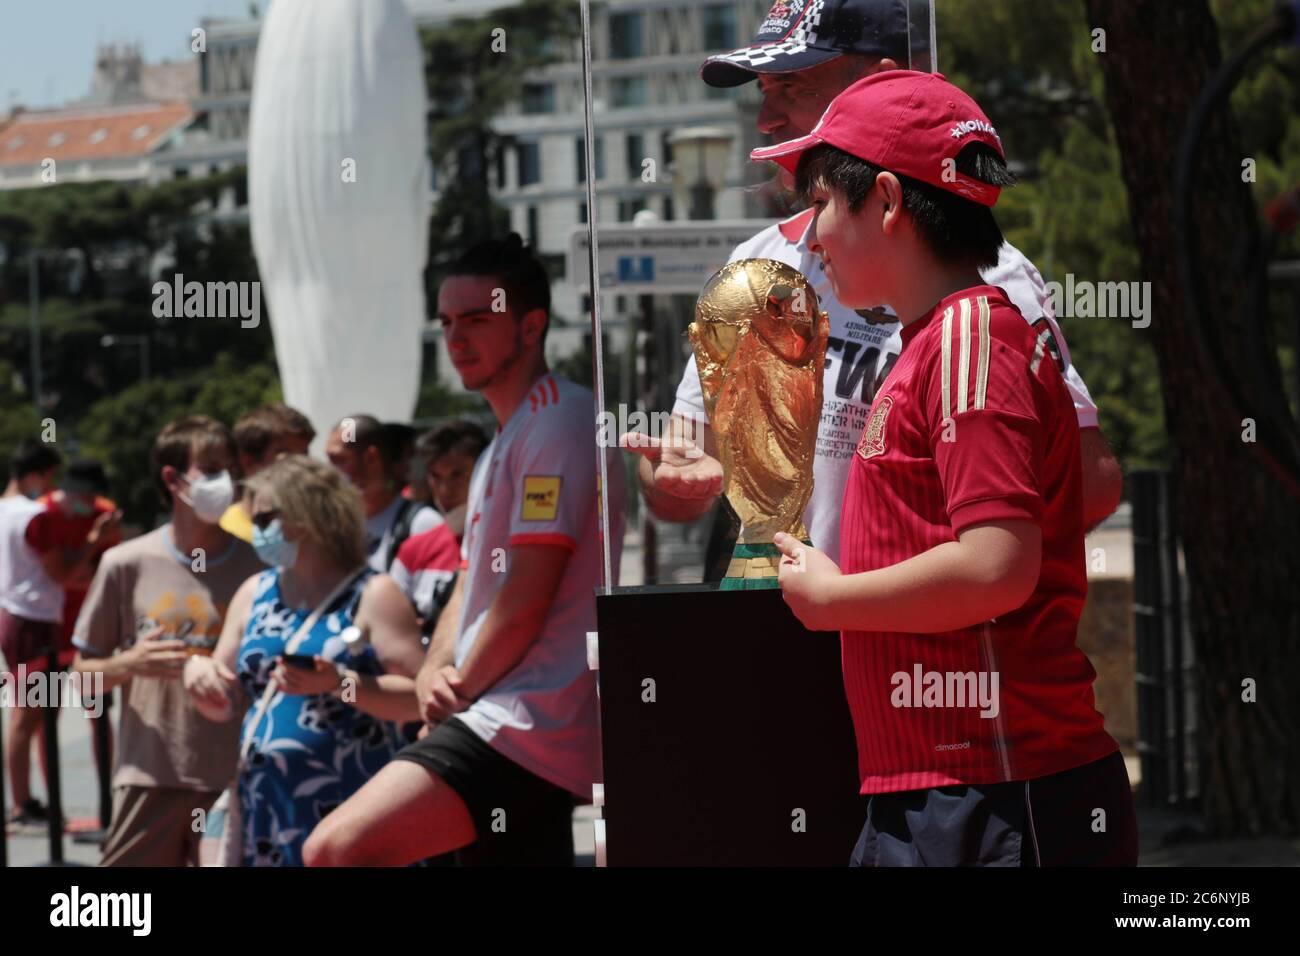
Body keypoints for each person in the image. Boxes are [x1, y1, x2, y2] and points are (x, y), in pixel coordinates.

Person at [766, 71, 1136, 865]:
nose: (808, 234)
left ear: (890, 202)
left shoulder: (968, 341)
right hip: (950, 790)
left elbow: (996, 567)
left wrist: (832, 598)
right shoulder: (943, 340)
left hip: (993, 792)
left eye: (825, 201)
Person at [624, 0, 1123, 569]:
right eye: (762, 90)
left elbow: (1088, 481)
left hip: (912, 642)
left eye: (793, 87)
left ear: (881, 83)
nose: (765, 117)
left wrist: (930, 578)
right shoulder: (756, 262)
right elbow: (682, 474)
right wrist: (672, 474)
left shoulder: (984, 277)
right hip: (792, 631)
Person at [302, 234, 626, 867]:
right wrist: (431, 673)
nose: (455, 338)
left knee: (334, 851)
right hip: (508, 716)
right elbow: (472, 584)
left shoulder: (559, 421)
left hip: (526, 721)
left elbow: (526, 596)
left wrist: (459, 691)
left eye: (477, 319)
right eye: (447, 321)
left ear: (531, 325)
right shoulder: (506, 440)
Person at [184, 455, 425, 866]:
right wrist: (198, 672)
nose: (257, 532)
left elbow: (419, 698)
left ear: (305, 516)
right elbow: (224, 694)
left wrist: (340, 683)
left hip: (352, 806)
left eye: (263, 519)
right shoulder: (254, 592)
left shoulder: (373, 594)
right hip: (268, 808)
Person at [71, 416, 263, 866]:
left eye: (229, 468)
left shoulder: (258, 569)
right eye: (211, 469)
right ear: (173, 480)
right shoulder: (125, 564)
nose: (225, 481)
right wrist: (131, 662)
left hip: (232, 777)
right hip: (150, 775)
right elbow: (81, 678)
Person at [0, 440, 63, 826]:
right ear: (35, 475)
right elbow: (59, 572)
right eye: (51, 477)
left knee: (30, 713)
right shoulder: (33, 515)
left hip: (14, 616)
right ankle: (23, 804)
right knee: (28, 715)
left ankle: (25, 800)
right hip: (32, 620)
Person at [390, 420, 489, 641]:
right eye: (436, 476)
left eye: (457, 474)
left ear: (486, 472)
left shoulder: (508, 546)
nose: (445, 489)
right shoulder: (414, 548)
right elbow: (389, 624)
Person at [324, 414, 442, 573]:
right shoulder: (331, 526)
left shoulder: (423, 525)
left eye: (339, 460)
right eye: (329, 459)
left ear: (371, 458)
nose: (326, 472)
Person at [220, 404, 316, 544]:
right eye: (288, 458)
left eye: (304, 455)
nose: (302, 467)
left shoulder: (318, 527)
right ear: (248, 462)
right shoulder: (223, 533)